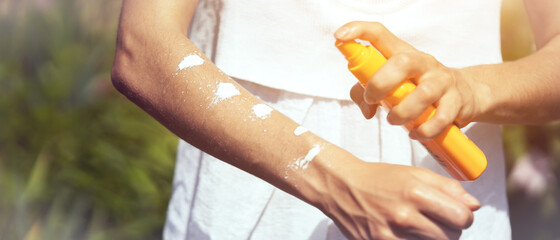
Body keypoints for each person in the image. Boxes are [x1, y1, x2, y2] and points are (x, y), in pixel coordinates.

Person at [110, 0, 559, 239]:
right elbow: (143, 48)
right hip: (257, 191)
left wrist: (471, 89)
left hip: (450, 203)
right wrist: (336, 181)